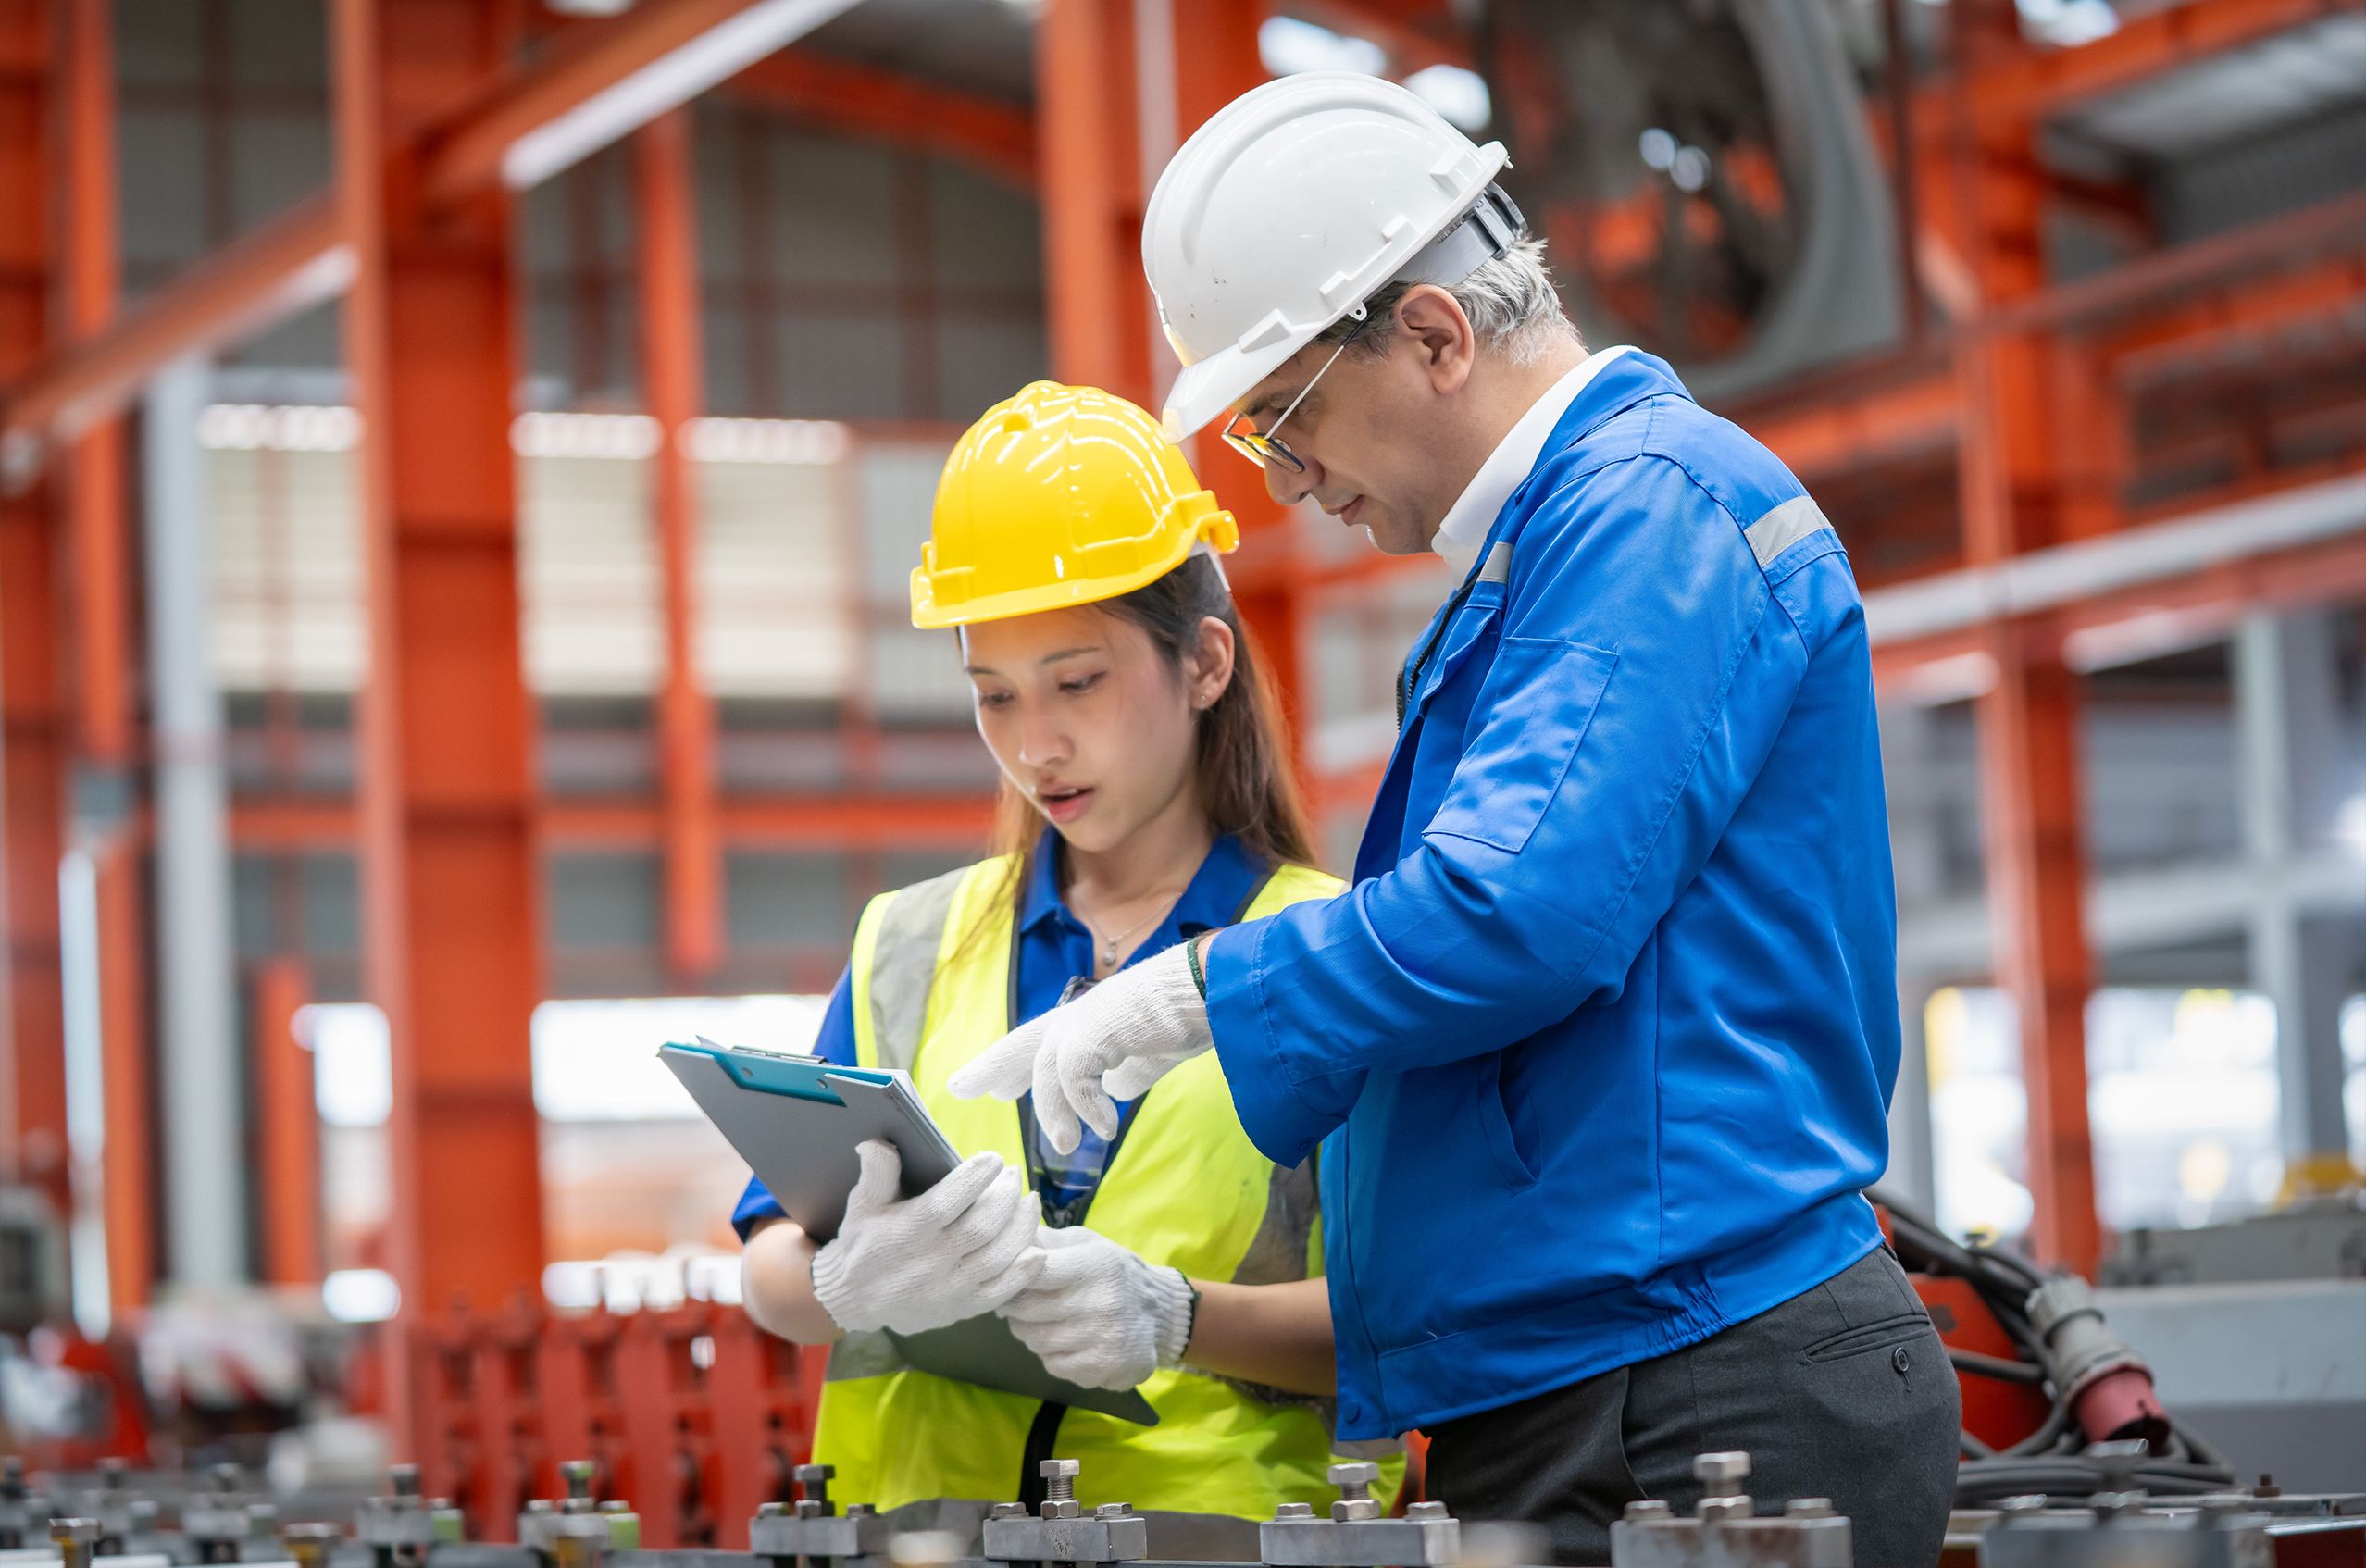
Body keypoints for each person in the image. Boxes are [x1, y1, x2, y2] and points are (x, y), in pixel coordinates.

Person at [953, 73, 1961, 1566]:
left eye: (1281, 415)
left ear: (1431, 333)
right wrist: (1181, 1307)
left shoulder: (1649, 512)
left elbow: (1514, 913)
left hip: (1704, 1374)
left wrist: (1194, 987)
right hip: (1600, 1363)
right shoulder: (1550, 557)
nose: (1284, 479)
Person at [735, 380, 1395, 1522]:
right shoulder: (907, 943)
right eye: (993, 696)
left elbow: (1409, 1319)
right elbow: (769, 1267)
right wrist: (840, 1283)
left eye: (1077, 682)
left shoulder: (1334, 950)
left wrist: (1177, 1319)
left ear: (1205, 664)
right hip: (915, 1532)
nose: (1036, 745)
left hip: (1216, 1543)